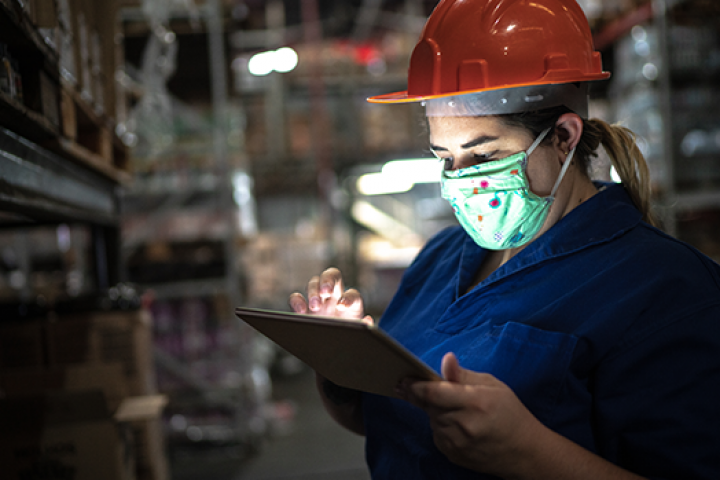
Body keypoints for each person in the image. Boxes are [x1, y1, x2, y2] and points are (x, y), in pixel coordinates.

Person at [289, 0, 720, 478]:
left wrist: (530, 452)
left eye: (482, 156)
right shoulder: (441, 258)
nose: (459, 179)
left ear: (563, 137)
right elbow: (387, 424)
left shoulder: (668, 291)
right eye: (444, 158)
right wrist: (340, 362)